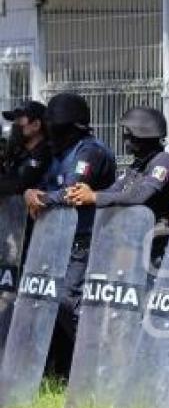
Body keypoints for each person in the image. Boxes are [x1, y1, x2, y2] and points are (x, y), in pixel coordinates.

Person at [25, 93, 116, 340]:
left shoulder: (90, 151)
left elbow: (73, 192)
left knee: (68, 299)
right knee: (47, 298)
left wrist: (42, 198)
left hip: (86, 241)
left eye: (59, 128)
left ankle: (95, 352)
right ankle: (68, 364)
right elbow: (43, 188)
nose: (53, 133)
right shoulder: (59, 153)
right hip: (58, 239)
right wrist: (31, 193)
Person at [65, 107, 169, 265]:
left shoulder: (165, 161)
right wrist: (82, 194)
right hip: (133, 241)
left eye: (129, 134)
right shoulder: (136, 166)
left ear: (141, 136)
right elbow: (114, 190)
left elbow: (141, 195)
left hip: (160, 247)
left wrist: (94, 197)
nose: (125, 139)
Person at [0, 100, 50, 197]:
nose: (14, 125)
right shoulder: (21, 152)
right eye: (14, 121)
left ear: (36, 125)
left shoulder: (44, 153)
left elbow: (20, 184)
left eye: (19, 120)